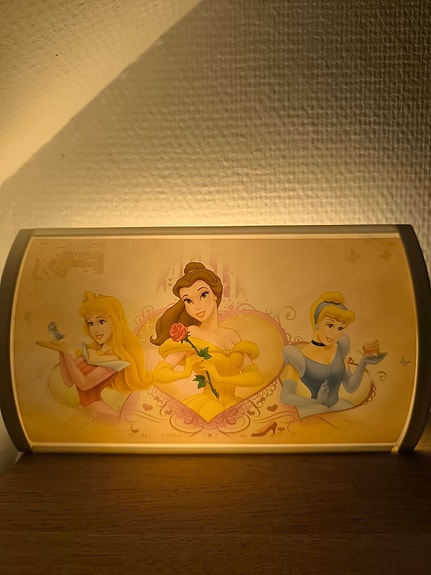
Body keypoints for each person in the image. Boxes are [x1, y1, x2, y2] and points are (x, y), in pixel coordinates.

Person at [151, 262, 263, 421]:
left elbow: (255, 377)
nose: (197, 307)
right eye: (188, 301)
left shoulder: (232, 335)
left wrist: (220, 378)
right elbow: (159, 373)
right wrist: (184, 373)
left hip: (234, 405)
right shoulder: (190, 334)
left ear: (215, 295)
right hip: (206, 407)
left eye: (203, 295)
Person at [37, 291, 153, 419]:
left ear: (115, 322)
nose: (95, 329)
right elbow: (69, 381)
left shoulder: (115, 360)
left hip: (101, 413)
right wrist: (62, 352)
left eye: (101, 322)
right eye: (91, 323)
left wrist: (65, 352)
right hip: (84, 410)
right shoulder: (89, 352)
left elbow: (85, 384)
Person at [280, 291, 386, 416]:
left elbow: (350, 387)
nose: (335, 333)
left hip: (338, 406)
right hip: (314, 410)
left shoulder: (339, 348)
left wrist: (364, 362)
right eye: (330, 325)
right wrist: (315, 401)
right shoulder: (299, 357)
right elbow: (285, 396)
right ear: (316, 324)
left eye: (340, 328)